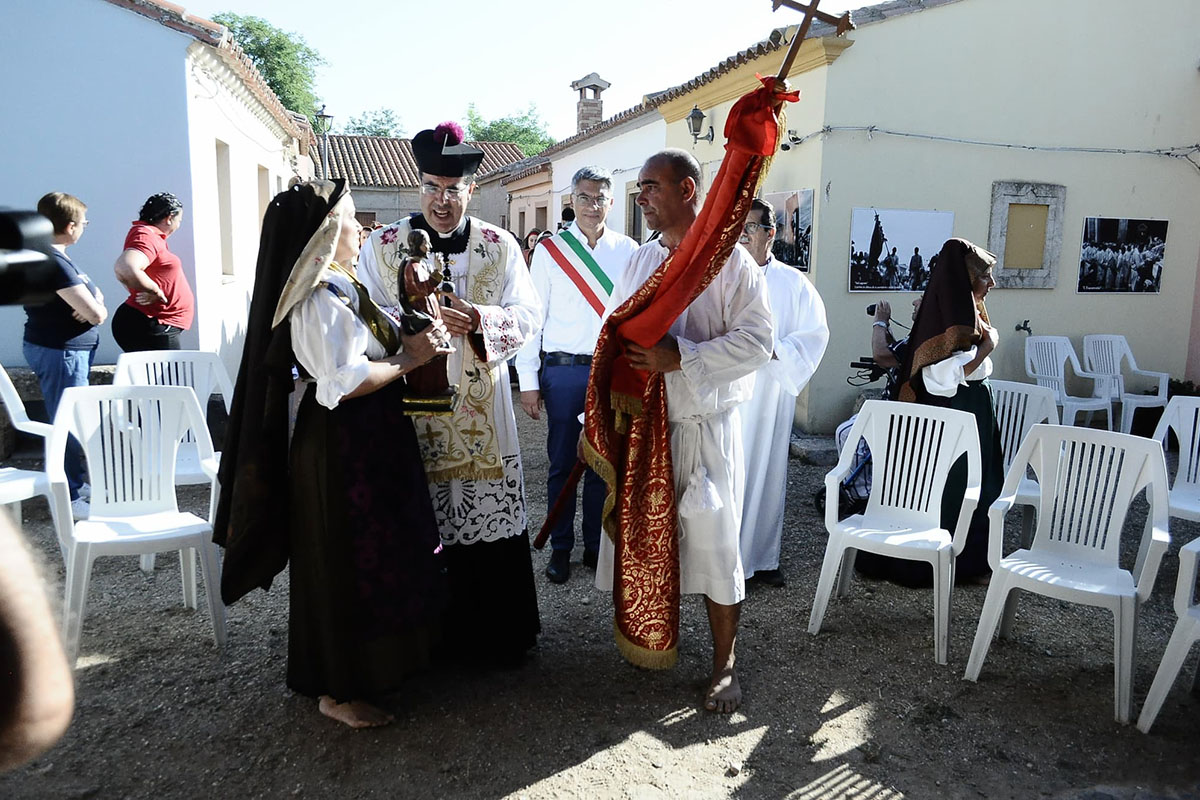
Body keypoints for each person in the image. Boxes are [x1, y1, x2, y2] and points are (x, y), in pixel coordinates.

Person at [214, 178, 451, 729]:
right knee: (343, 560)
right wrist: (412, 360)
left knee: (378, 553)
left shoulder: (341, 284)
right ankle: (337, 690)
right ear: (323, 233)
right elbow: (340, 382)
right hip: (343, 445)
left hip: (369, 438)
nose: (361, 227)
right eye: (350, 217)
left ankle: (377, 669)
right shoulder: (316, 299)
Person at [592, 149, 773, 712]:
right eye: (640, 187)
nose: (641, 197)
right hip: (648, 429)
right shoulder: (641, 260)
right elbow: (615, 332)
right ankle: (650, 632)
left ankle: (725, 665)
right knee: (649, 540)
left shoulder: (732, 263)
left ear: (688, 189)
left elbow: (758, 343)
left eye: (651, 186)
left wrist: (683, 357)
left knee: (717, 549)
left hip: (704, 429)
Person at [357, 121, 542, 664]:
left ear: (471, 189)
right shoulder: (384, 245)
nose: (442, 200)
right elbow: (362, 317)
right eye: (432, 187)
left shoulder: (499, 244)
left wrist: (480, 319)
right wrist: (410, 322)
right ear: (420, 185)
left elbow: (529, 315)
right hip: (407, 407)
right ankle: (420, 646)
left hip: (481, 410)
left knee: (484, 519)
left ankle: (495, 639)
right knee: (416, 514)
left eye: (453, 190)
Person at [855, 238, 1002, 586]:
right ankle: (930, 563)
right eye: (985, 276)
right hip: (951, 415)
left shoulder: (968, 315)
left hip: (971, 413)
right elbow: (946, 375)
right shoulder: (952, 323)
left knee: (976, 486)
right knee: (951, 487)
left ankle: (970, 559)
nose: (992, 284)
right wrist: (989, 345)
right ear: (965, 280)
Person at [516, 166, 637, 584]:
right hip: (564, 371)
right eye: (584, 197)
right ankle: (561, 547)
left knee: (604, 461)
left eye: (601, 197)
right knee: (564, 463)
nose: (592, 206)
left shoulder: (629, 251)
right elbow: (534, 320)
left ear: (611, 201)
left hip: (607, 372)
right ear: (572, 201)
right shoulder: (552, 251)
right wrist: (528, 381)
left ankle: (595, 546)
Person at [736, 198, 829, 588]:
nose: (741, 238)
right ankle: (715, 563)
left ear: (770, 234)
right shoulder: (720, 277)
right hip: (726, 394)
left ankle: (760, 559)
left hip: (770, 393)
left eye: (749, 230)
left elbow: (814, 336)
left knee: (765, 474)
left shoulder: (793, 284)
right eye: (737, 230)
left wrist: (774, 349)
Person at [24, 192, 106, 519]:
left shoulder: (54, 255)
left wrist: (94, 302)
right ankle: (69, 494)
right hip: (61, 352)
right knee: (66, 422)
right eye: (84, 223)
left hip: (66, 351)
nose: (85, 227)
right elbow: (96, 312)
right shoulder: (51, 260)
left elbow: (92, 296)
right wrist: (96, 308)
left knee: (71, 418)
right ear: (70, 226)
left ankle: (76, 483)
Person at [111, 192, 194, 351]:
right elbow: (124, 268)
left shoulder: (151, 236)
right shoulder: (146, 235)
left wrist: (140, 288)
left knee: (158, 375)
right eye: (179, 220)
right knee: (168, 376)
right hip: (154, 322)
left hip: (156, 322)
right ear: (169, 218)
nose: (178, 225)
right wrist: (154, 290)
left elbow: (124, 274)